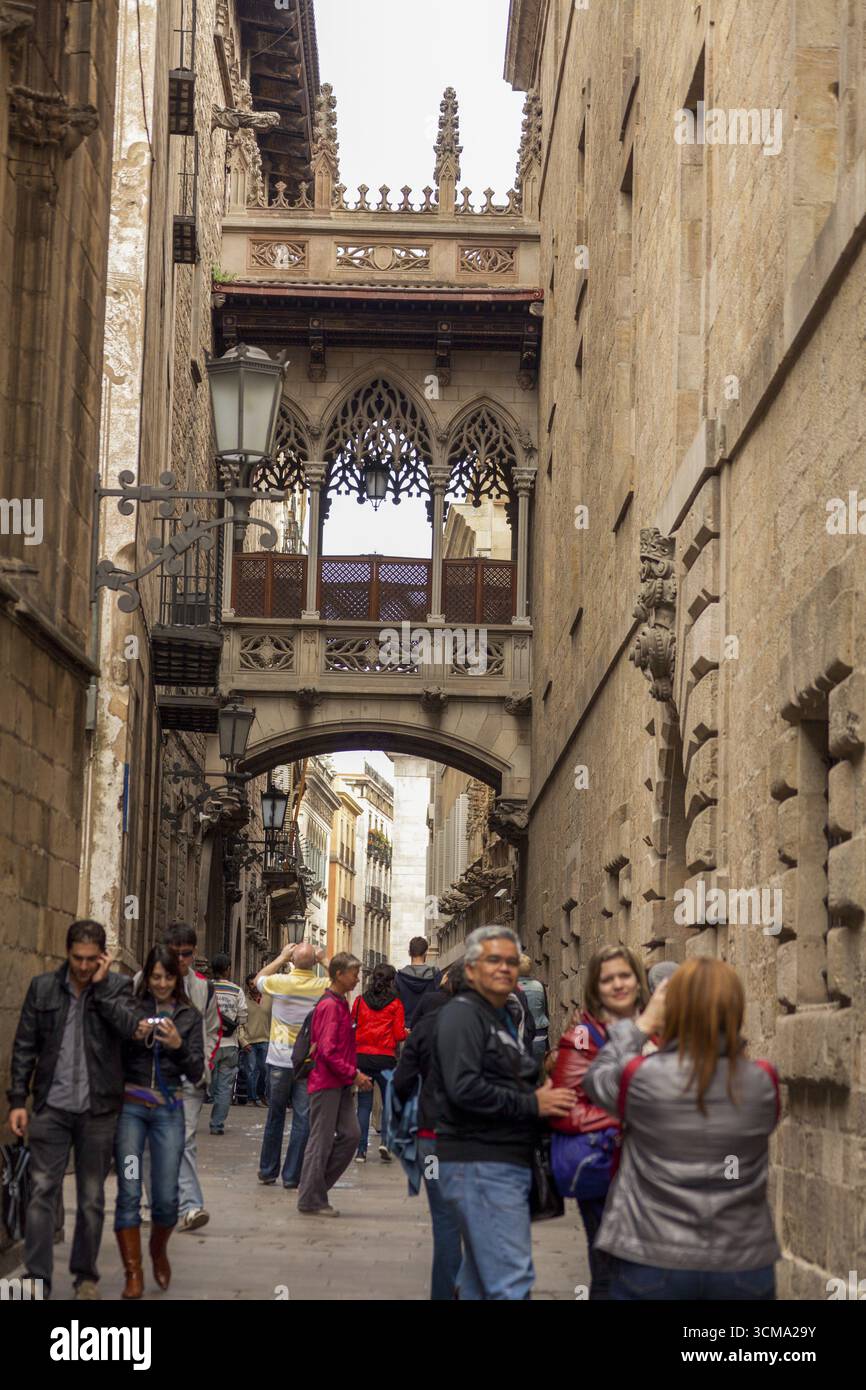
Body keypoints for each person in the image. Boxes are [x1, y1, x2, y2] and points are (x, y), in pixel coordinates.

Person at [584, 958, 781, 1301]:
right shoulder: (763, 1081)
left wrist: (642, 1024)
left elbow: (596, 1080)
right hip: (741, 1263)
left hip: (651, 1255)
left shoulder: (642, 1077)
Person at [432, 925, 573, 1299]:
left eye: (511, 961)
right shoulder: (463, 1016)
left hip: (497, 1162)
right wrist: (533, 1103)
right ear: (473, 969)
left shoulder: (495, 1017)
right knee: (512, 1281)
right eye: (493, 959)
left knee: (480, 1282)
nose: (504, 968)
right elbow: (464, 1089)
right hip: (481, 1163)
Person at [7, 920, 140, 1300]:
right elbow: (24, 1046)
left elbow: (131, 1030)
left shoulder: (116, 988)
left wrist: (100, 990)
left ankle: (85, 1277)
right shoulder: (44, 988)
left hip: (98, 1109)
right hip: (51, 1106)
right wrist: (18, 1101)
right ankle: (37, 1279)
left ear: (101, 957)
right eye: (77, 959)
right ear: (68, 954)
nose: (82, 967)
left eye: (90, 960)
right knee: (41, 1193)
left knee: (92, 1198)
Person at [549, 944, 649, 1300]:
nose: (618, 984)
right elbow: (565, 1107)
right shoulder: (582, 1036)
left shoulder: (658, 1027)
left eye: (625, 976)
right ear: (596, 987)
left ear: (638, 981)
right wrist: (623, 1119)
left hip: (656, 1171)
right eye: (608, 979)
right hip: (606, 1166)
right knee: (609, 1270)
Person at [114, 945, 204, 1298]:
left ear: (176, 978)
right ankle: (132, 1273)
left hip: (168, 1113)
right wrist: (130, 1036)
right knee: (130, 1190)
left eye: (168, 977)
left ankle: (157, 1250)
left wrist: (179, 1045)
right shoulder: (131, 1010)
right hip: (132, 1114)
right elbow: (111, 1058)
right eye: (155, 977)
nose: (162, 984)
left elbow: (196, 1072)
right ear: (146, 978)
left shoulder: (188, 1016)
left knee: (166, 1199)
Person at [393, 963, 465, 1300]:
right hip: (482, 1147)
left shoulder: (427, 1026)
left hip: (432, 1141)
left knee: (445, 1222)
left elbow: (404, 1081)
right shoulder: (496, 1025)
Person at [296, 953, 372, 1216]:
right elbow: (327, 1051)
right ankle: (311, 1198)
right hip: (327, 1081)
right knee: (321, 1140)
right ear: (339, 974)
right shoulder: (330, 1006)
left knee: (351, 1135)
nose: (357, 978)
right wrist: (354, 1075)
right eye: (354, 973)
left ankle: (314, 1189)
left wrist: (351, 1074)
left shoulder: (339, 1003)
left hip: (340, 1081)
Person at [160, 923, 220, 1232]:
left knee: (184, 1137)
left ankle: (190, 1206)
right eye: (175, 954)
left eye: (186, 954)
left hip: (189, 1076)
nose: (181, 960)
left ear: (194, 953)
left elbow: (212, 1030)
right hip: (151, 1077)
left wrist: (201, 1064)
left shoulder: (203, 988)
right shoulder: (145, 981)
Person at [256, 941, 330, 1189]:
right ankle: (292, 1176)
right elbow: (342, 981)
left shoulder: (280, 982)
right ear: (312, 963)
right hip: (307, 1062)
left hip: (278, 1059)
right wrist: (322, 960)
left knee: (275, 1115)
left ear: (292, 961)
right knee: (303, 1118)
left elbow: (258, 979)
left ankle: (267, 1171)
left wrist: (280, 957)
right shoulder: (321, 986)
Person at [352, 962, 407, 1163]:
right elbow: (399, 1034)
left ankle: (361, 1151)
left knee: (364, 1105)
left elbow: (353, 1026)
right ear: (391, 981)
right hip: (385, 1059)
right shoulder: (396, 1004)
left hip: (362, 1058)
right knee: (388, 1102)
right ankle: (385, 1142)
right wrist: (406, 1032)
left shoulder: (359, 1001)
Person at [209, 954, 248, 1135]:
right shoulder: (236, 990)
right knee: (225, 1087)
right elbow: (242, 1018)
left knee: (201, 1084)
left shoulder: (205, 988)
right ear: (227, 969)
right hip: (230, 1044)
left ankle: (190, 1121)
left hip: (208, 1044)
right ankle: (217, 1124)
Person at [395, 937, 441, 1027]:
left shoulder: (399, 977)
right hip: (428, 1028)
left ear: (409, 953)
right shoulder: (435, 975)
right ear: (425, 953)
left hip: (405, 1029)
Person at [240, 974, 270, 1106]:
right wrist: (242, 1040)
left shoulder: (269, 999)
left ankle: (261, 1095)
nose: (254, 987)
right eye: (251, 984)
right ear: (248, 985)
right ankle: (252, 1098)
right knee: (251, 1070)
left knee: (264, 1070)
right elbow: (239, 1022)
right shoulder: (244, 1001)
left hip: (265, 1039)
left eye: (256, 983)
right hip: (249, 1041)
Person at [518, 954, 550, 1063]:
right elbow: (545, 1012)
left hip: (520, 1038)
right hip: (540, 1036)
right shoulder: (539, 986)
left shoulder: (512, 988)